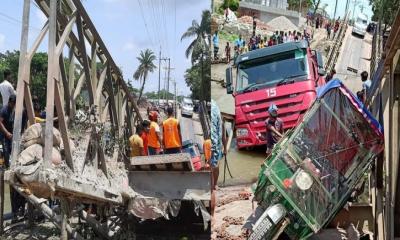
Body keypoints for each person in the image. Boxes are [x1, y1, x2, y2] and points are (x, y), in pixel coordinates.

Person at [0, 94, 27, 222]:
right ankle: (8, 166)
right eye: (13, 103)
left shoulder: (19, 111)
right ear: (11, 102)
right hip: (6, 139)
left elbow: (23, 126)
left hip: (14, 139)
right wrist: (6, 133)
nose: (14, 106)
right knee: (7, 154)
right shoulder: (5, 109)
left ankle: (20, 209)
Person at [210, 99, 224, 219]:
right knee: (216, 166)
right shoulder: (216, 106)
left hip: (213, 147)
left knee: (210, 189)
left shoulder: (213, 108)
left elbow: (214, 132)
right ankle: (215, 184)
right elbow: (222, 127)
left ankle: (212, 217)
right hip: (217, 146)